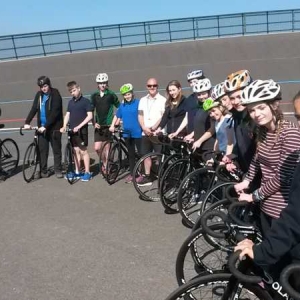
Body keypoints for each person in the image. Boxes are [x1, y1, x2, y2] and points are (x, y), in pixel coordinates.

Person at [234, 79, 300, 233]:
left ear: (274, 105)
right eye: (251, 110)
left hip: (282, 210)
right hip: (266, 205)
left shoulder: (289, 133)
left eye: (261, 107)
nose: (256, 114)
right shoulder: (263, 131)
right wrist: (247, 180)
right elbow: (257, 158)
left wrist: (254, 196)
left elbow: (282, 177)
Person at [24, 76, 63, 178]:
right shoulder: (39, 95)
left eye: (45, 86)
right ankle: (43, 171)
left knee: (56, 150)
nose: (43, 88)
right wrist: (27, 122)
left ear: (49, 84)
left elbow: (55, 112)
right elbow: (34, 108)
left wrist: (46, 126)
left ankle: (58, 170)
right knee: (42, 150)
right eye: (41, 87)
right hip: (41, 128)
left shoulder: (55, 94)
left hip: (54, 128)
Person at [222, 70, 257, 178]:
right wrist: (233, 158)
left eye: (239, 96)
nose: (236, 101)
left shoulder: (256, 119)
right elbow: (241, 145)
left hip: (259, 177)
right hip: (248, 173)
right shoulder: (238, 116)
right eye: (232, 98)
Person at [109, 83, 142, 184]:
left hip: (138, 132)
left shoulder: (138, 103)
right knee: (131, 155)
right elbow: (117, 115)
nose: (127, 96)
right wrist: (112, 125)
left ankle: (143, 174)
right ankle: (133, 174)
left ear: (132, 93)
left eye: (128, 94)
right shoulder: (122, 106)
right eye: (125, 95)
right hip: (127, 134)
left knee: (141, 154)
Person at [60, 81, 93, 182]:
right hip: (72, 131)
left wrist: (79, 126)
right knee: (75, 151)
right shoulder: (70, 103)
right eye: (71, 92)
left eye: (74, 90)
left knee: (83, 151)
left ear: (79, 88)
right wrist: (64, 126)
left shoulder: (86, 101)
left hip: (81, 131)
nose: (73, 93)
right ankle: (77, 171)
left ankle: (87, 172)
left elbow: (90, 116)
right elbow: (67, 115)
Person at [137, 78, 166, 187]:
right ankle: (147, 176)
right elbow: (140, 115)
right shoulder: (143, 100)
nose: (152, 87)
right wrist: (144, 127)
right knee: (146, 155)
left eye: (154, 85)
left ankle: (162, 176)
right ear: (147, 87)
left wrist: (154, 127)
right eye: (149, 85)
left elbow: (163, 116)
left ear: (157, 86)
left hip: (157, 132)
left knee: (160, 156)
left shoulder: (163, 100)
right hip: (145, 132)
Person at [90, 73, 119, 174]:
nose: (102, 85)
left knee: (107, 148)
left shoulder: (111, 94)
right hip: (98, 126)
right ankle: (104, 162)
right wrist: (93, 122)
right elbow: (90, 110)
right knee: (97, 148)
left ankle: (107, 166)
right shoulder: (94, 96)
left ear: (107, 83)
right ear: (97, 84)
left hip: (108, 125)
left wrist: (117, 120)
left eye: (104, 83)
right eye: (100, 83)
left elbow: (119, 107)